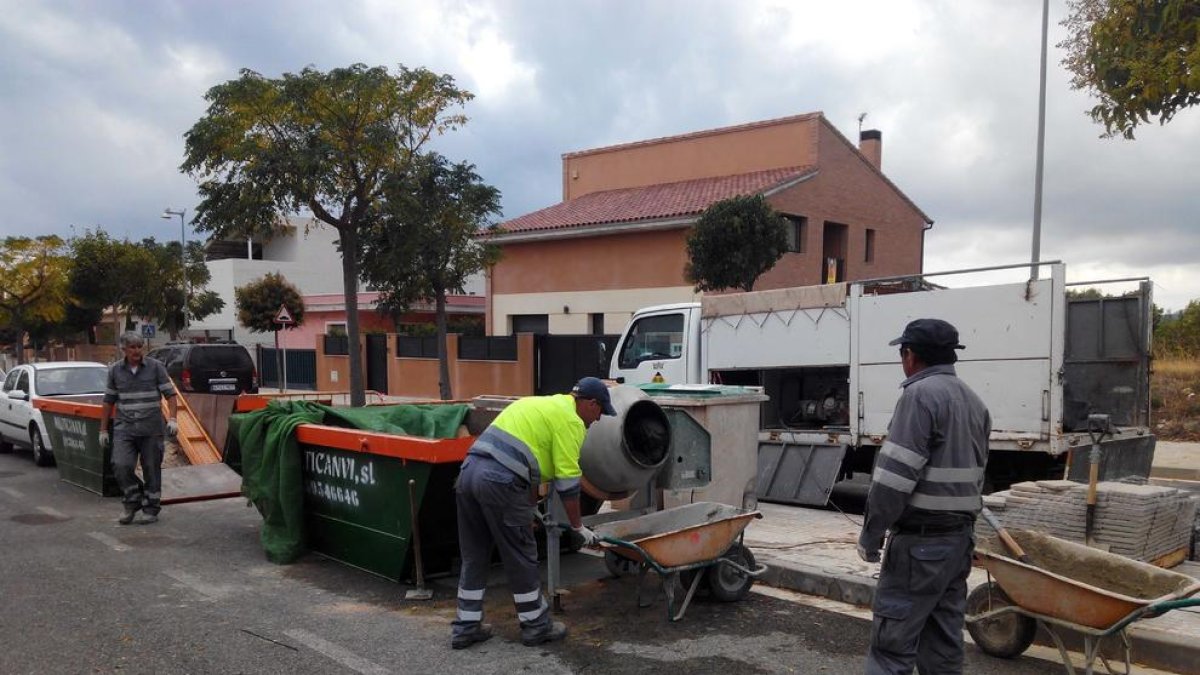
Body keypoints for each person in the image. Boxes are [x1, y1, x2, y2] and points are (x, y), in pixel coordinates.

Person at [858, 319, 991, 675]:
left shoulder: (919, 397)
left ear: (910, 356)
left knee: (891, 649)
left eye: (902, 353)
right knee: (943, 650)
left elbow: (892, 481)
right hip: (957, 544)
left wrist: (871, 536)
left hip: (918, 550)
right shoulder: (974, 402)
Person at [450, 376, 616, 650]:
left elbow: (527, 465)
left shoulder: (541, 405)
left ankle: (465, 628)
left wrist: (527, 510)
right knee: (521, 555)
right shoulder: (571, 421)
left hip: (469, 473)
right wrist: (578, 528)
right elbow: (568, 483)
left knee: (475, 554)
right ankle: (536, 626)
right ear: (591, 403)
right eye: (600, 412)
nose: (597, 419)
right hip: (500, 480)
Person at [99, 332, 178, 525]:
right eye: (132, 347)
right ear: (123, 349)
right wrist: (103, 430)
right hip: (124, 428)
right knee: (121, 464)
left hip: (151, 429)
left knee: (151, 468)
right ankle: (132, 501)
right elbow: (108, 402)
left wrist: (173, 419)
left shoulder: (156, 367)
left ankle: (151, 508)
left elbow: (171, 395)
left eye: (139, 346)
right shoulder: (115, 371)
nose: (136, 351)